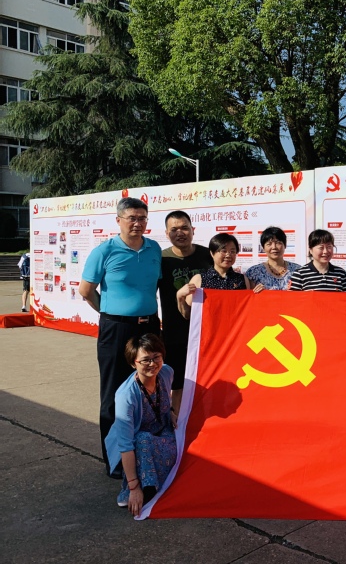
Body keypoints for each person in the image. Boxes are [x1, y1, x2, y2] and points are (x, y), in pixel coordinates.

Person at [79, 198, 162, 477]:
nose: (137, 223)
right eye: (132, 218)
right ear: (119, 220)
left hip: (149, 327)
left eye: (142, 218)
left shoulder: (153, 249)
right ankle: (114, 460)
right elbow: (86, 290)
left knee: (149, 388)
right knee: (114, 394)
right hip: (116, 329)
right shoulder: (104, 251)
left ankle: (146, 454)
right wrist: (110, 314)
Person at [105, 334, 176, 517]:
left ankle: (156, 486)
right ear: (133, 363)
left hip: (163, 432)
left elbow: (165, 400)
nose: (152, 364)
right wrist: (133, 486)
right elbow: (126, 445)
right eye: (145, 360)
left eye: (156, 357)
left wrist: (170, 411)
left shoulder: (166, 372)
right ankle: (144, 489)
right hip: (138, 444)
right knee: (143, 441)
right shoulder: (126, 396)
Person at [158, 211, 213, 424]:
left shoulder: (208, 255)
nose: (180, 233)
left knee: (207, 378)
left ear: (192, 230)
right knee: (177, 382)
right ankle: (176, 424)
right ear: (166, 233)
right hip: (175, 332)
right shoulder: (161, 259)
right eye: (174, 229)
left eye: (184, 228)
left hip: (206, 331)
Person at [177, 233, 255, 317]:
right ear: (212, 253)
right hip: (208, 325)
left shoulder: (242, 279)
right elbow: (188, 314)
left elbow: (247, 310)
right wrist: (180, 296)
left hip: (235, 325)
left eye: (232, 251)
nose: (228, 255)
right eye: (223, 251)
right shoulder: (199, 279)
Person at [245, 226, 301, 291]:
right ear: (263, 248)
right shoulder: (253, 272)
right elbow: (248, 296)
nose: (274, 247)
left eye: (278, 243)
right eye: (269, 244)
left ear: (285, 245)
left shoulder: (297, 270)